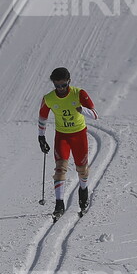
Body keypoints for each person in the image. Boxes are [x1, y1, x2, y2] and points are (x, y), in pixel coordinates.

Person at [37, 66, 97, 216]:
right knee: (60, 169)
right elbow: (42, 118)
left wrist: (82, 110)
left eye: (64, 85)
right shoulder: (49, 98)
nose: (61, 88)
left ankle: (83, 191)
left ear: (69, 81)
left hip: (79, 135)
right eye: (57, 85)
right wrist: (41, 137)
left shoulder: (79, 93)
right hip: (62, 136)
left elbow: (95, 115)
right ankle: (59, 204)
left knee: (82, 169)